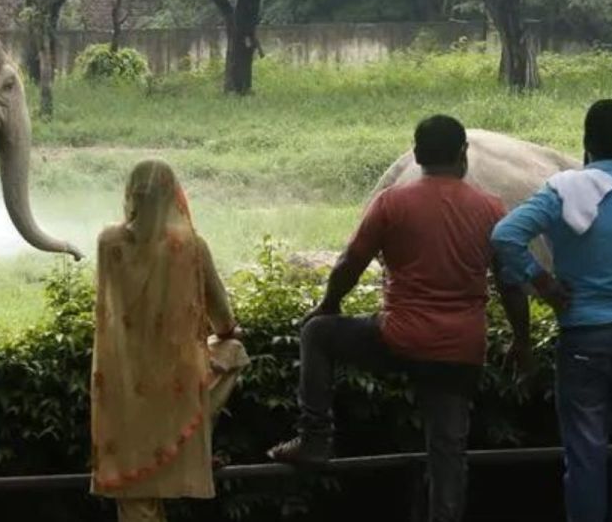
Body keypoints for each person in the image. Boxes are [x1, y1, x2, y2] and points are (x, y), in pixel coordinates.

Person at [267, 115, 532, 522]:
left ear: (418, 154)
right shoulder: (491, 209)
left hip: (399, 339)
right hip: (461, 349)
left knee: (318, 333)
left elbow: (349, 264)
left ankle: (315, 437)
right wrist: (521, 340)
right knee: (448, 454)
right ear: (462, 155)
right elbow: (512, 283)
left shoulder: (392, 202)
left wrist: (329, 304)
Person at [491, 99, 612, 522]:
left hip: (584, 338)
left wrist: (542, 283)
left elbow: (505, 235)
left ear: (586, 143)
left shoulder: (563, 190)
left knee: (585, 456)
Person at [90, 160, 249, 522]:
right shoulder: (191, 246)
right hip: (176, 383)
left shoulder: (107, 243)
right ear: (173, 195)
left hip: (123, 384)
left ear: (131, 195)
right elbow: (222, 316)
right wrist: (226, 332)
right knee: (234, 353)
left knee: (135, 492)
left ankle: (182, 444)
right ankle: (187, 443)